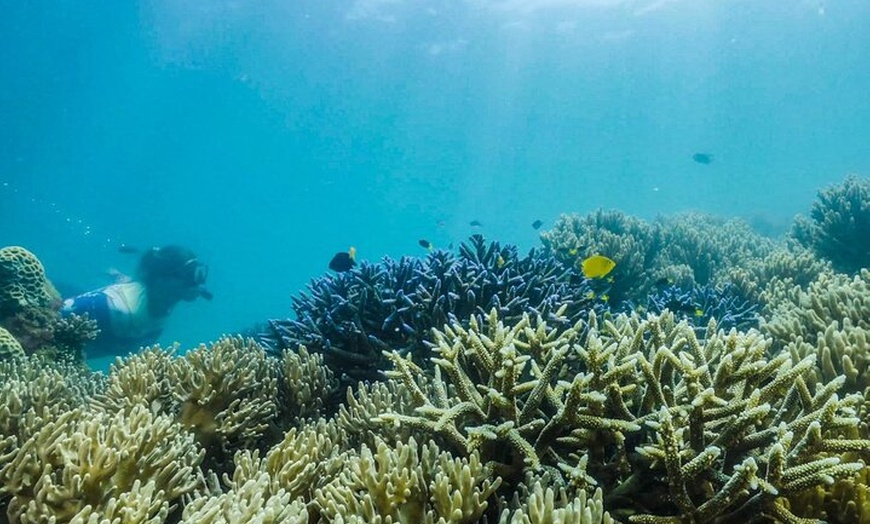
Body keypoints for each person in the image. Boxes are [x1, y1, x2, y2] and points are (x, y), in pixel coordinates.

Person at [62, 245, 212, 358]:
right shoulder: (114, 308)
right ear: (161, 279)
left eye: (198, 275)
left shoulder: (165, 302)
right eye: (188, 276)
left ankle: (118, 276)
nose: (198, 284)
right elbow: (55, 314)